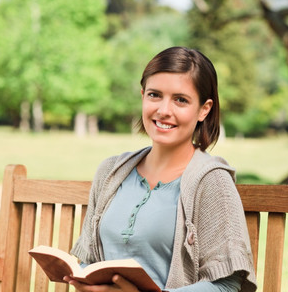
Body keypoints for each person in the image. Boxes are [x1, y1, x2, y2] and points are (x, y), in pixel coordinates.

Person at [67, 47, 257, 292]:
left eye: (180, 100)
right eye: (155, 95)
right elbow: (89, 260)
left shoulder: (212, 181)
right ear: (142, 96)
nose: (164, 110)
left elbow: (229, 285)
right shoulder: (110, 172)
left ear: (204, 109)